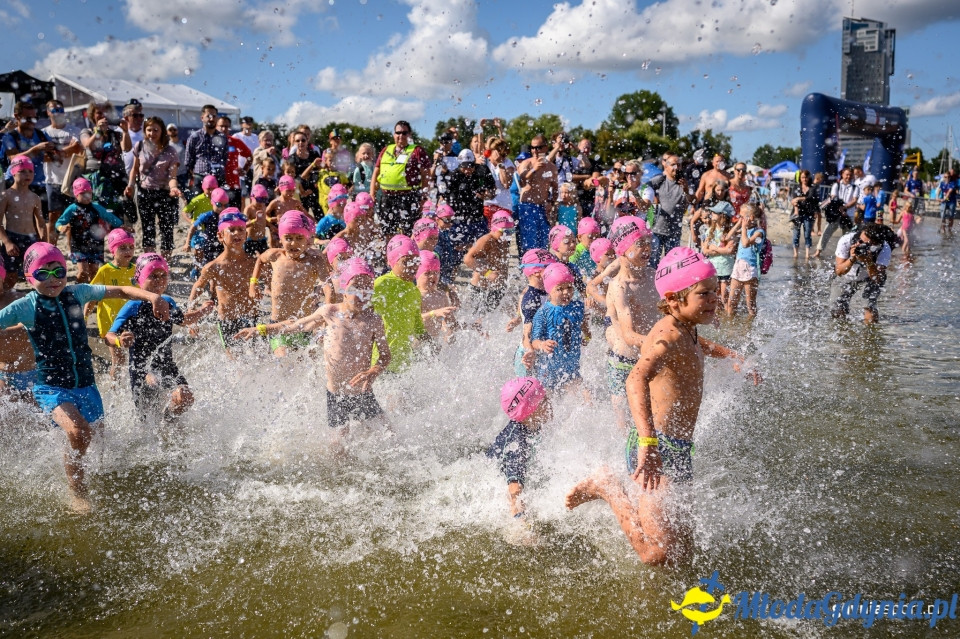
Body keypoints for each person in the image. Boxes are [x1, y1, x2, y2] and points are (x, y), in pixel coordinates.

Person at [566, 246, 756, 565]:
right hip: (656, 447)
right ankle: (607, 486)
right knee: (655, 554)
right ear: (673, 299)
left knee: (682, 556)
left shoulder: (686, 328)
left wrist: (731, 356)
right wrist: (648, 443)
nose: (714, 299)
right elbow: (634, 379)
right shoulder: (667, 334)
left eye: (714, 291)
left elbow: (694, 346)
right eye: (704, 294)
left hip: (679, 449)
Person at [0, 242, 170, 511]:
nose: (53, 280)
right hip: (52, 388)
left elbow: (122, 290)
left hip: (86, 385)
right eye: (43, 274)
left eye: (59, 271)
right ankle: (77, 492)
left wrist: (152, 298)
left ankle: (81, 473)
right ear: (29, 276)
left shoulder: (77, 293)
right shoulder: (25, 306)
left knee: (99, 444)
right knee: (80, 433)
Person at [241, 258, 390, 436]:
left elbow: (385, 355)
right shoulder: (329, 313)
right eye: (356, 287)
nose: (362, 293)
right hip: (336, 394)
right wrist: (261, 329)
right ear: (343, 290)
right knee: (338, 446)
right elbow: (296, 325)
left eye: (368, 288)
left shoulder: (374, 320)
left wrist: (374, 370)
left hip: (362, 391)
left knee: (388, 433)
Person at [108, 253, 213, 427]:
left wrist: (203, 311)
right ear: (139, 280)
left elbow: (183, 320)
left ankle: (168, 423)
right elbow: (108, 336)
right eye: (153, 276)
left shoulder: (168, 302)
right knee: (147, 421)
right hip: (142, 369)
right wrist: (120, 340)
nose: (159, 280)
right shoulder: (132, 306)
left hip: (166, 364)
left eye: (163, 275)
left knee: (186, 397)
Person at [249, 211, 330, 357]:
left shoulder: (314, 260)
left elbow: (327, 285)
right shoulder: (275, 255)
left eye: (299, 238)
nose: (293, 243)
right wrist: (253, 283)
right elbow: (260, 259)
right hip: (277, 324)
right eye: (288, 238)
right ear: (281, 238)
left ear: (307, 239)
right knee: (283, 361)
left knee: (305, 365)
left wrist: (328, 314)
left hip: (303, 325)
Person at [604, 216, 659, 434]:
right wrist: (665, 345)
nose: (648, 248)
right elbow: (628, 335)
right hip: (624, 361)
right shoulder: (620, 287)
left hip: (649, 356)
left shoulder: (654, 276)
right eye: (640, 243)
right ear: (624, 248)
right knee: (625, 425)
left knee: (653, 416)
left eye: (648, 242)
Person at [190, 209, 259, 350]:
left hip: (252, 317)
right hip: (227, 320)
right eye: (231, 230)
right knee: (233, 362)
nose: (237, 233)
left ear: (246, 235)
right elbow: (198, 287)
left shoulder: (254, 263)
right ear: (220, 236)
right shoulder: (213, 267)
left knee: (254, 357)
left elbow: (275, 281)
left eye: (241, 229)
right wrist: (192, 316)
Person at [486, 377, 551, 519]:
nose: (550, 402)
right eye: (544, 400)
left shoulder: (532, 424)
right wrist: (522, 527)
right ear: (531, 410)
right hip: (494, 478)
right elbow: (514, 491)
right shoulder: (517, 443)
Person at [125, 116, 181, 258]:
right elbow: (135, 169)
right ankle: (149, 260)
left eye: (156, 130)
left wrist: (173, 188)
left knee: (166, 229)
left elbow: (172, 177)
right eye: (149, 130)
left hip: (164, 193)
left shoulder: (170, 151)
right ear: (145, 131)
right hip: (145, 192)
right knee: (147, 228)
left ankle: (165, 262)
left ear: (162, 132)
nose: (152, 133)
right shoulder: (140, 146)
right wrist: (130, 185)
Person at [530, 262, 589, 393]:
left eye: (569, 287)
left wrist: (586, 336)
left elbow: (584, 327)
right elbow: (534, 341)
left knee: (586, 399)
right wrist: (542, 345)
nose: (566, 292)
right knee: (550, 404)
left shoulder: (578, 307)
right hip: (548, 372)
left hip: (572, 369)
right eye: (559, 289)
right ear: (549, 291)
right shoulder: (543, 313)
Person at [55, 177, 126, 283]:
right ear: (76, 195)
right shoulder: (72, 208)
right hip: (79, 245)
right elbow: (59, 222)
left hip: (96, 245)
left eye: (89, 193)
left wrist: (121, 225)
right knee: (83, 272)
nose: (87, 196)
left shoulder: (96, 207)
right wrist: (62, 227)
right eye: (83, 193)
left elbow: (110, 217)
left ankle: (92, 296)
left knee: (94, 272)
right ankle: (77, 291)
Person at [372, 235, 426, 372]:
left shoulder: (414, 291)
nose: (413, 266)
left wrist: (431, 343)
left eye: (416, 261)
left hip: (403, 364)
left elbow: (418, 326)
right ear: (393, 261)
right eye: (407, 261)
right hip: (379, 363)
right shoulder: (381, 284)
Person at [87, 229, 137, 379]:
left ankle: (130, 384)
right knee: (119, 359)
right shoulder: (105, 271)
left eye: (131, 247)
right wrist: (85, 316)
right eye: (122, 248)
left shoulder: (136, 271)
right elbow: (92, 296)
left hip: (130, 321)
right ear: (112, 250)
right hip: (110, 323)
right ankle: (115, 386)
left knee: (136, 357)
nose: (128, 251)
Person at [371, 121, 431, 236]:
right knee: (388, 231)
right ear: (394, 134)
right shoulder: (386, 150)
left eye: (404, 133)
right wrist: (372, 194)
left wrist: (424, 196)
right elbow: (376, 172)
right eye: (398, 133)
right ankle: (390, 253)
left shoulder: (417, 151)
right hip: (386, 197)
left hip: (408, 197)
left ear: (410, 135)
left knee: (409, 231)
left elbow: (426, 175)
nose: (401, 136)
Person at [830, 223, 891, 324]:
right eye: (860, 240)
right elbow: (839, 271)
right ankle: (845, 332)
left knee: (869, 309)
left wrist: (869, 262)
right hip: (846, 276)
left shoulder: (884, 248)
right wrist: (852, 258)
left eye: (866, 244)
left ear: (875, 244)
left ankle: (870, 336)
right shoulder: (847, 240)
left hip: (869, 278)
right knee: (836, 309)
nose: (860, 244)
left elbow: (876, 278)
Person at [41, 99, 82, 244]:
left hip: (71, 180)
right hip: (52, 180)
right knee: (53, 217)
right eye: (54, 110)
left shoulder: (74, 130)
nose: (57, 113)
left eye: (60, 110)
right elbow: (44, 157)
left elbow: (78, 149)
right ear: (48, 113)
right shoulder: (43, 132)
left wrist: (55, 153)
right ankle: (51, 248)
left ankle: (72, 251)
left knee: (72, 217)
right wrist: (67, 150)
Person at [0, 156, 44, 288]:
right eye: (23, 171)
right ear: (13, 172)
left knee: (35, 274)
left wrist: (43, 241)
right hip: (13, 239)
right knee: (10, 276)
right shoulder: (6, 196)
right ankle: (4, 302)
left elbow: (41, 223)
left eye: (30, 171)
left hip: (31, 240)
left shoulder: (35, 197)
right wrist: (7, 243)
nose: (28, 174)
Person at [462, 210, 514, 314]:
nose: (508, 235)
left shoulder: (502, 241)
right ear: (494, 228)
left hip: (497, 289)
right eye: (505, 231)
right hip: (481, 289)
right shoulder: (486, 240)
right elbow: (468, 259)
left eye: (511, 231)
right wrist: (488, 273)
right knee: (476, 323)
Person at [0, 261, 37, 401]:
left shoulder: (17, 299)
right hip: (2, 373)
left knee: (38, 414)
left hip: (29, 370)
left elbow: (29, 327)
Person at [515, 135, 558, 253]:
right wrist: (534, 169)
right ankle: (527, 268)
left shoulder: (552, 167)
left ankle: (541, 268)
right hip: (527, 207)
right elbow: (522, 180)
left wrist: (551, 203)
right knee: (529, 243)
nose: (535, 151)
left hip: (543, 208)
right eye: (532, 148)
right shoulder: (526, 163)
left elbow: (555, 188)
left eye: (538, 148)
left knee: (543, 244)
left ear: (546, 148)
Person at [650, 154, 692, 267]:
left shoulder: (684, 184)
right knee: (652, 263)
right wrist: (652, 199)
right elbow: (644, 188)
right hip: (656, 230)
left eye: (679, 165)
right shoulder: (659, 180)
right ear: (666, 166)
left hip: (674, 232)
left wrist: (687, 191)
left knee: (672, 265)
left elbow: (690, 203)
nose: (676, 167)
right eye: (673, 164)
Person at [725, 203, 765, 317]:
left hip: (750, 268)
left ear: (750, 218)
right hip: (738, 266)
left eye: (741, 216)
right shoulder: (744, 230)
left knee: (750, 305)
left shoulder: (759, 232)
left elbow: (745, 243)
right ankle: (730, 328)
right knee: (731, 302)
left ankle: (750, 329)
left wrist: (743, 227)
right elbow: (727, 237)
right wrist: (738, 224)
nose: (739, 218)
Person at [183, 187, 229, 277]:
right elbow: (193, 227)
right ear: (212, 202)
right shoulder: (207, 215)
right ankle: (197, 271)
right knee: (209, 270)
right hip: (209, 246)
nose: (222, 208)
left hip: (223, 246)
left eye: (225, 205)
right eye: (219, 204)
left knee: (222, 270)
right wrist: (187, 243)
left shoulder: (227, 216)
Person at [814, 168, 859, 258]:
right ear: (842, 174)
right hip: (836, 214)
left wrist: (844, 207)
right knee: (826, 232)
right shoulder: (836, 185)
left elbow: (854, 201)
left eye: (850, 175)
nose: (848, 177)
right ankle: (818, 251)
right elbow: (833, 197)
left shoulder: (855, 187)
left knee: (847, 237)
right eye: (847, 174)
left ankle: (846, 255)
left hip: (848, 214)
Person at [184, 104, 228, 193]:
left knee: (218, 206)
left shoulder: (223, 137)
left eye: (214, 116)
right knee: (198, 205)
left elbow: (225, 157)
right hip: (199, 178)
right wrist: (196, 175)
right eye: (208, 116)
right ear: (202, 118)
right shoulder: (195, 137)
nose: (211, 119)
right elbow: (188, 161)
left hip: (218, 179)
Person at [417, 250, 458, 342]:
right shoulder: (415, 295)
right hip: (418, 345)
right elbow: (412, 320)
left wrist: (472, 327)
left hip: (434, 346)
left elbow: (451, 323)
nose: (432, 276)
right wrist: (433, 313)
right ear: (417, 274)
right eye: (427, 273)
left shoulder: (441, 296)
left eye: (436, 272)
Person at [700, 203, 736, 306]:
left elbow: (729, 250)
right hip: (713, 268)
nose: (712, 213)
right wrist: (719, 250)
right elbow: (705, 251)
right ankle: (717, 319)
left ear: (722, 216)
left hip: (725, 268)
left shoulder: (729, 231)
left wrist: (715, 249)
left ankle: (726, 320)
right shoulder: (710, 230)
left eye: (715, 212)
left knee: (724, 298)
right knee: (715, 296)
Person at [789, 170, 819, 259]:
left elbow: (810, 198)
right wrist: (796, 202)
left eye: (806, 177)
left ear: (809, 178)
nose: (804, 179)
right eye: (802, 177)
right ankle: (795, 253)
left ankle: (807, 254)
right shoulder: (796, 187)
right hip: (797, 213)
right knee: (796, 234)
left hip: (808, 213)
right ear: (800, 178)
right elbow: (793, 200)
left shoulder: (812, 187)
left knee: (807, 234)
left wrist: (798, 198)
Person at [243, 184, 271, 255]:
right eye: (259, 199)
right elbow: (243, 225)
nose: (261, 203)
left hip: (262, 239)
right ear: (252, 197)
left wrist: (272, 227)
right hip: (251, 240)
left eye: (264, 200)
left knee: (264, 261)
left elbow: (264, 221)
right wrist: (254, 220)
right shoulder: (249, 209)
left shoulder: (263, 207)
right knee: (249, 261)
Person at [937, 169, 956, 235]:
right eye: (945, 177)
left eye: (948, 177)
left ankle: (949, 230)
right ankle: (943, 230)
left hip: (951, 201)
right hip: (944, 202)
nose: (947, 178)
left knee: (951, 216)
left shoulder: (952, 183)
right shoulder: (942, 183)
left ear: (950, 177)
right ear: (943, 177)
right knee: (942, 216)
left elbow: (949, 192)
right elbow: (939, 190)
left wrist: (945, 198)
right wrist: (937, 197)